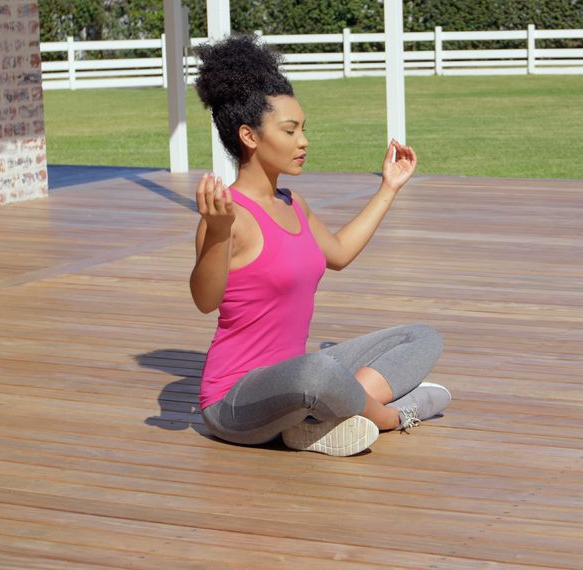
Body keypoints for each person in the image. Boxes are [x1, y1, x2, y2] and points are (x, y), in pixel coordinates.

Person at [189, 34, 450, 457]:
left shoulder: (294, 204)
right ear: (249, 136)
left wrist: (389, 188)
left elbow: (341, 254)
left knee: (421, 337)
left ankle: (318, 420)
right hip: (236, 401)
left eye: (303, 129)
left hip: (301, 378)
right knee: (317, 371)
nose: (303, 141)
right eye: (290, 130)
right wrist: (217, 233)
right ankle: (392, 416)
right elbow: (204, 300)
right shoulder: (227, 214)